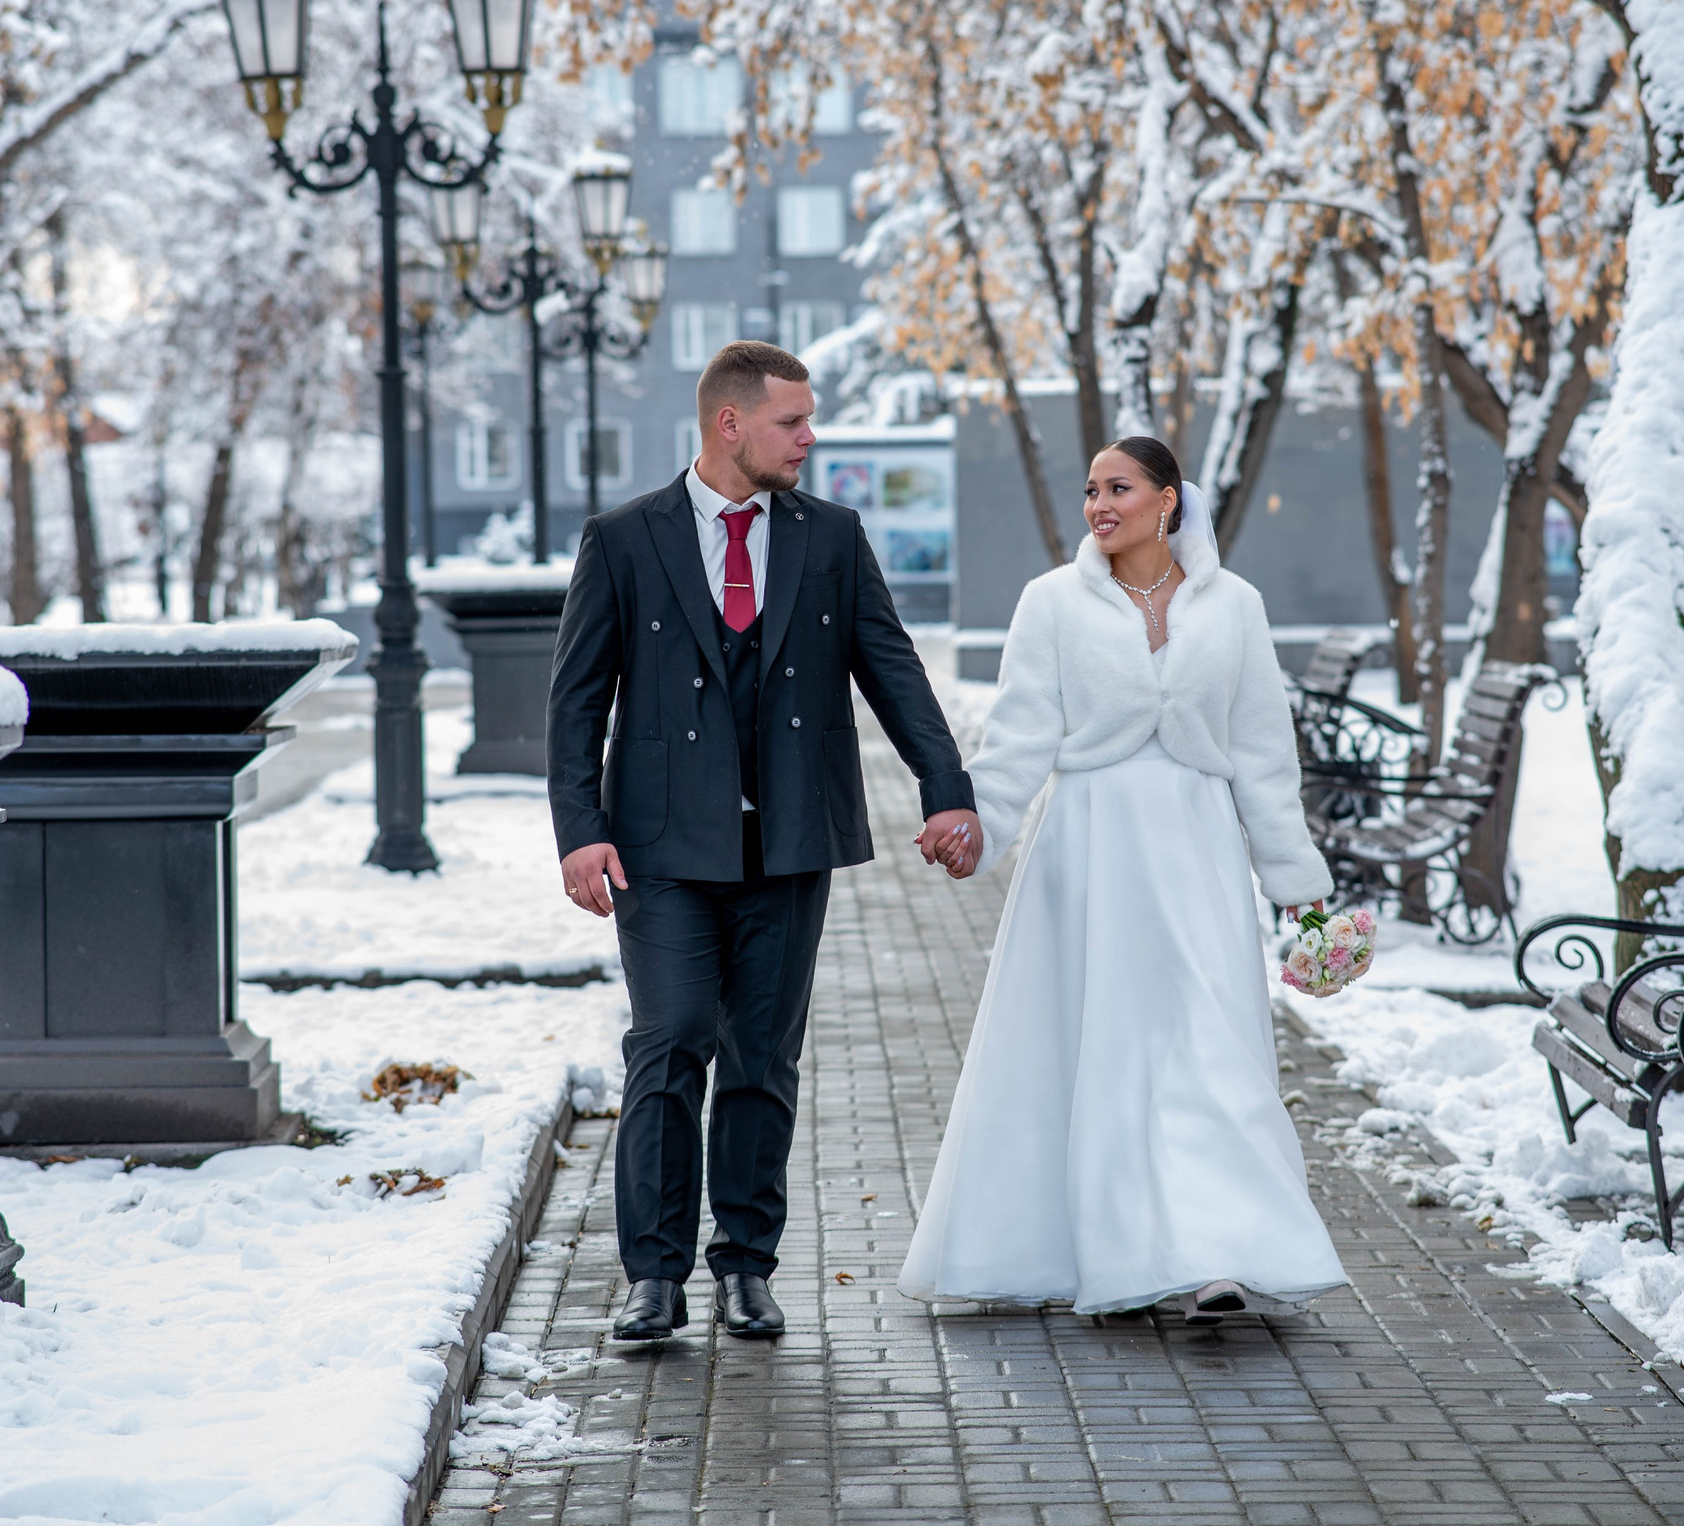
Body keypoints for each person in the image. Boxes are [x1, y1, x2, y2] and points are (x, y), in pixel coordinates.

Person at [548, 339, 981, 1343]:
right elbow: (575, 700)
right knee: (667, 1041)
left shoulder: (830, 534)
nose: (809, 437)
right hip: (659, 845)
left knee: (761, 1060)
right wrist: (580, 830)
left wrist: (944, 788)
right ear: (729, 423)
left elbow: (891, 664)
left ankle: (745, 1264)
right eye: (792, 421)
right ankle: (652, 1275)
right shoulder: (623, 539)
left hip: (789, 840)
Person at [897, 435, 1349, 1322]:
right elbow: (1022, 732)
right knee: (1095, 1053)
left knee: (1208, 1046)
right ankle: (1095, 1246)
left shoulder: (1236, 606)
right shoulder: (1051, 603)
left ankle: (1220, 1251)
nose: (1100, 505)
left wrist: (1296, 882)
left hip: (1199, 853)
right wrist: (977, 830)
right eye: (1092, 490)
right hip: (1089, 853)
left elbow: (1263, 752)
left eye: (1120, 487)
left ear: (1168, 500)